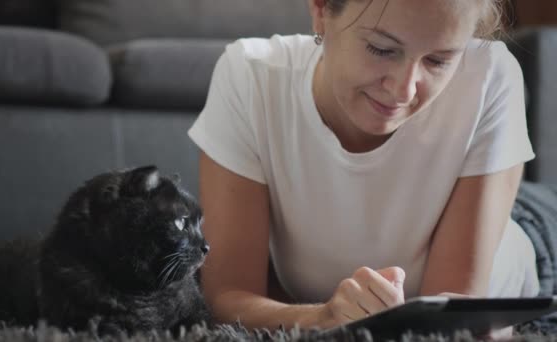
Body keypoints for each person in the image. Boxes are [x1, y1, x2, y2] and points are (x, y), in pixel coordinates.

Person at [187, 0, 540, 333]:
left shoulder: (489, 75)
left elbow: (440, 321)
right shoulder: (250, 76)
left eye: (438, 61)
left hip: (530, 238)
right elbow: (226, 297)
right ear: (321, 9)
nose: (404, 91)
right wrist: (322, 317)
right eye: (382, 49)